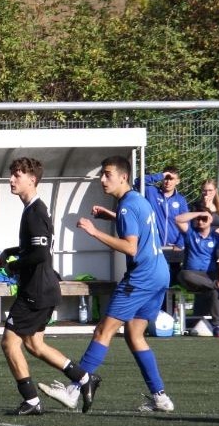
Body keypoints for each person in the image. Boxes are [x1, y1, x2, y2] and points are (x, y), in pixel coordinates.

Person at [39, 155, 173, 413]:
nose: (102, 179)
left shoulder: (126, 207)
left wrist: (94, 231)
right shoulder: (136, 201)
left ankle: (74, 390)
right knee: (134, 336)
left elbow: (131, 247)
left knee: (103, 331)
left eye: (107, 174)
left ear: (123, 177)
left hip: (141, 278)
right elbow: (137, 225)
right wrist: (110, 217)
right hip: (160, 275)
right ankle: (160, 397)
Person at [0, 157, 93, 416]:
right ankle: (84, 378)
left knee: (9, 343)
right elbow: (36, 247)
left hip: (36, 291)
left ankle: (31, 401)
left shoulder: (36, 212)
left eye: (17, 175)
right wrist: (10, 251)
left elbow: (40, 254)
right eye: (12, 175)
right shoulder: (32, 210)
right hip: (43, 289)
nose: (12, 180)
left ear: (32, 179)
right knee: (35, 345)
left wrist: (13, 266)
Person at [173, 204, 219, 337]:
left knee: (217, 286)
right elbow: (178, 219)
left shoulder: (217, 238)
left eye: (204, 219)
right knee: (184, 274)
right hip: (191, 276)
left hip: (208, 275)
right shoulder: (190, 233)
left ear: (211, 219)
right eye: (199, 219)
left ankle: (217, 326)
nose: (200, 221)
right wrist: (198, 213)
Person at [134, 166, 188, 257]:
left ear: (177, 181)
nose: (168, 182)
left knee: (174, 271)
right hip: (154, 247)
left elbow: (187, 223)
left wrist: (180, 243)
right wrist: (159, 176)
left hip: (173, 248)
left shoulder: (181, 200)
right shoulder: (152, 192)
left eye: (171, 179)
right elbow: (138, 182)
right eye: (166, 178)